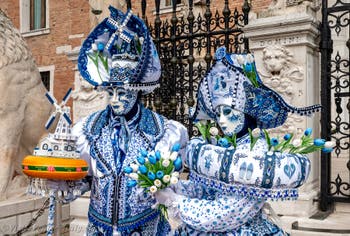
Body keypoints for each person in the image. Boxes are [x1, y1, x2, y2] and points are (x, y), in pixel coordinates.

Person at [50, 7, 188, 235]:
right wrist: (65, 183)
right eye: (111, 92)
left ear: (137, 92)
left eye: (123, 93)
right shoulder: (89, 129)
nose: (115, 100)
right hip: (99, 227)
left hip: (144, 227)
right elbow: (87, 179)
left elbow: (169, 185)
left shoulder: (163, 132)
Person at [155, 47, 321, 235]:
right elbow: (209, 190)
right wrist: (173, 186)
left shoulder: (256, 153)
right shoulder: (225, 145)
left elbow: (226, 215)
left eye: (228, 112)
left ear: (247, 112)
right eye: (218, 114)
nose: (221, 121)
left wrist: (174, 201)